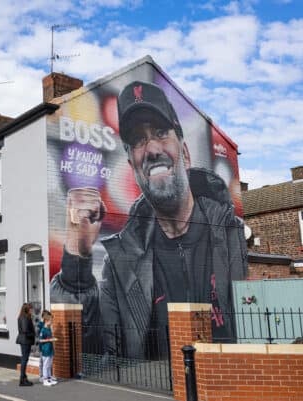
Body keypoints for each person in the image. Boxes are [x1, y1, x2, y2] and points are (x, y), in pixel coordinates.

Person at [51, 80, 248, 358]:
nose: (152, 149)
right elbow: (94, 352)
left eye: (161, 132)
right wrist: (76, 260)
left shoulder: (231, 234)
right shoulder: (119, 266)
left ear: (185, 153)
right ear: (132, 166)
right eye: (139, 140)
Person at [16, 303, 36, 386]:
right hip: (25, 341)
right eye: (31, 309)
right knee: (24, 360)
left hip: (24, 341)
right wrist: (33, 334)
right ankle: (22, 380)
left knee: (24, 359)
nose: (32, 310)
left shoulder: (22, 317)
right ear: (27, 309)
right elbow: (25, 330)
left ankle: (24, 378)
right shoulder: (25, 318)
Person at [39, 313, 57, 386]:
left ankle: (49, 378)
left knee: (49, 365)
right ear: (46, 321)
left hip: (50, 349)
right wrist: (50, 340)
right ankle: (45, 379)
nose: (52, 322)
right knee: (45, 365)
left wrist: (52, 339)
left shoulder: (49, 329)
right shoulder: (43, 330)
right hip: (45, 350)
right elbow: (41, 340)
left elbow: (50, 338)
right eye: (51, 321)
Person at [37, 310, 52, 383]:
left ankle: (48, 376)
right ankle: (41, 376)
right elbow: (40, 337)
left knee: (47, 362)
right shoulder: (40, 325)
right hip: (42, 346)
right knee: (42, 362)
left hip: (47, 346)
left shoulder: (47, 325)